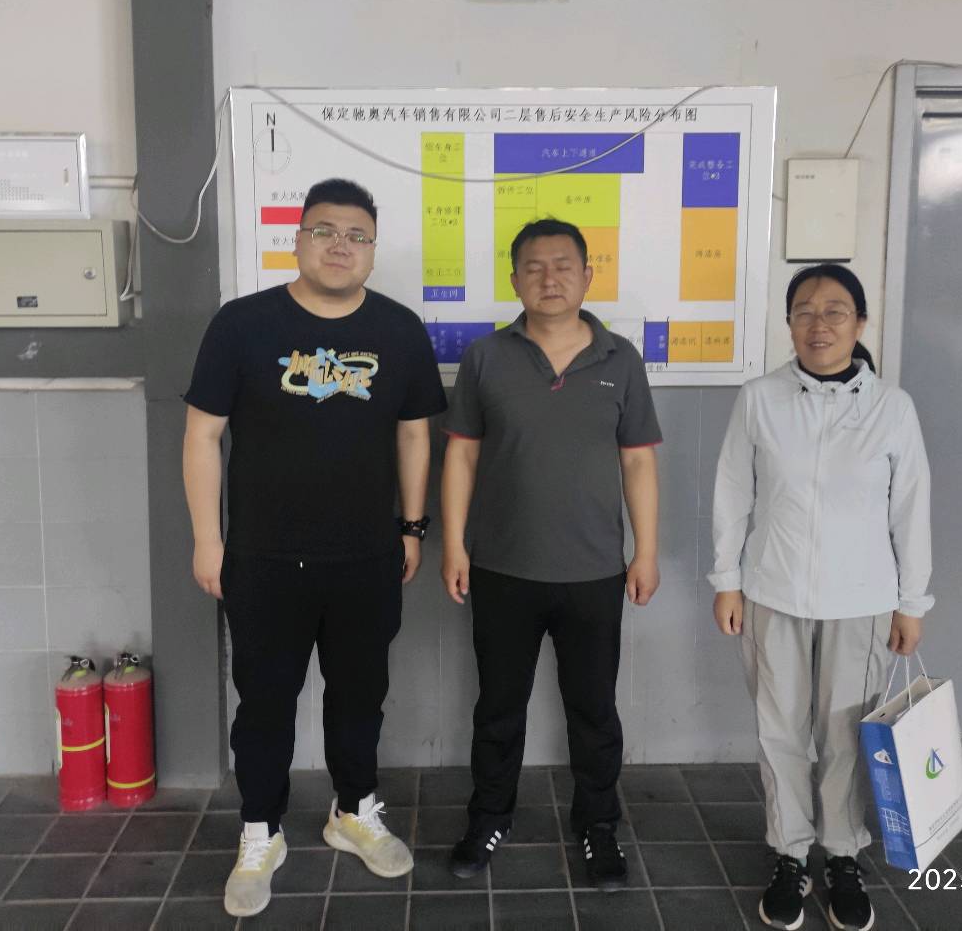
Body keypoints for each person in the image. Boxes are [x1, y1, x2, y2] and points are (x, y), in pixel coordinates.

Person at [182, 178, 447, 919]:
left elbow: (415, 434)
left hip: (366, 557)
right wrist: (208, 539)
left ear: (373, 250)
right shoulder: (242, 325)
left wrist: (412, 527)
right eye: (324, 230)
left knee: (360, 695)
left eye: (357, 235)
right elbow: (202, 435)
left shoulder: (399, 329)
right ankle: (259, 832)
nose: (340, 245)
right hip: (262, 558)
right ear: (297, 240)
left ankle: (352, 811)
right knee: (264, 703)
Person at [440, 218, 662, 891]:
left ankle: (598, 824)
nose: (550, 277)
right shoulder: (486, 357)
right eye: (534, 267)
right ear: (515, 280)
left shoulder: (621, 359)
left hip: (595, 572)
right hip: (501, 567)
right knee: (497, 708)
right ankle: (489, 817)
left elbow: (638, 463)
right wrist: (454, 544)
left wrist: (646, 552)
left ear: (588, 275)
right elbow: (462, 456)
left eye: (564, 265)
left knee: (593, 710)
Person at [710, 263, 933, 931]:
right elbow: (733, 493)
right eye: (804, 311)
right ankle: (789, 852)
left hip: (862, 602)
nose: (819, 324)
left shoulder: (892, 408)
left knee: (843, 738)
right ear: (788, 323)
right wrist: (727, 581)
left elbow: (911, 510)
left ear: (860, 322)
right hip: (772, 593)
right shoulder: (760, 399)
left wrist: (912, 601)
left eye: (835, 311)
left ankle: (841, 855)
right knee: (779, 730)